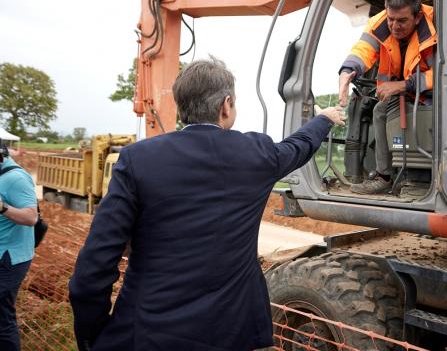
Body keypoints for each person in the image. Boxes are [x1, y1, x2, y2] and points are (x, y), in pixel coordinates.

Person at [68, 58, 345, 351]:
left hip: (149, 334)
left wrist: (94, 338)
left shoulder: (137, 159)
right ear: (226, 105)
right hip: (231, 334)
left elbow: (93, 268)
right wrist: (324, 119)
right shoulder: (257, 154)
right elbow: (298, 146)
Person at [337, 0, 437, 194]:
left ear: (417, 17)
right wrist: (347, 71)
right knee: (380, 110)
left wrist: (404, 84)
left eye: (402, 21)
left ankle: (433, 174)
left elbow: (445, 73)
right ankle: (384, 176)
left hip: (433, 93)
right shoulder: (380, 24)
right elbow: (363, 50)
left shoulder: (434, 26)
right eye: (391, 19)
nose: (394, 26)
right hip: (406, 91)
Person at [0, 139, 38, 351]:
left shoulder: (15, 178)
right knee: (3, 317)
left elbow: (31, 217)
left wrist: (2, 207)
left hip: (9, 259)